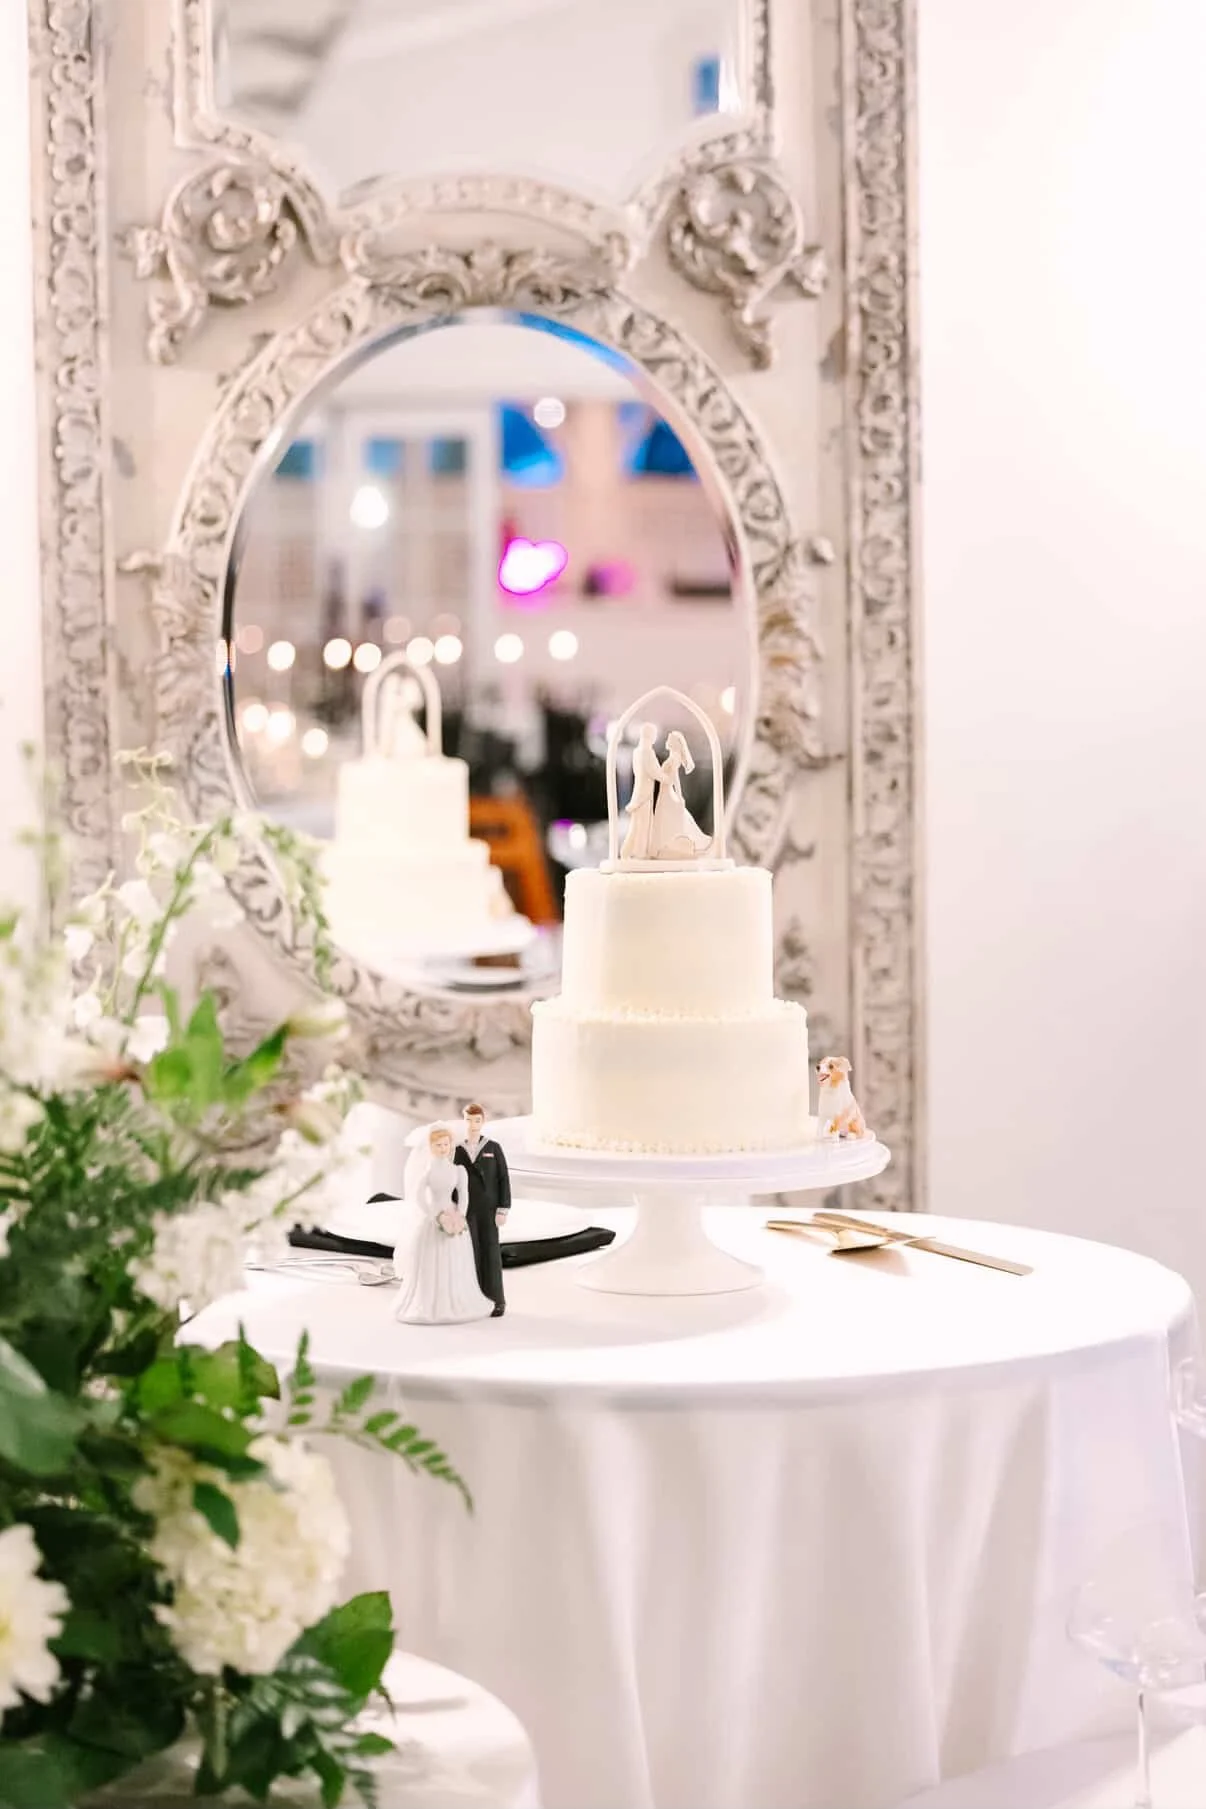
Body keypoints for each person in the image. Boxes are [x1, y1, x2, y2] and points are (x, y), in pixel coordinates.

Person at [393, 1125, 493, 1325]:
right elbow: (418, 1196)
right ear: (431, 1147)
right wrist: (432, 1215)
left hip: (452, 1215)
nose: (443, 1148)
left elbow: (464, 1195)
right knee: (431, 1256)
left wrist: (459, 1216)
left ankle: (456, 1296)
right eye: (438, 1145)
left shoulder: (458, 1170)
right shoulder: (428, 1172)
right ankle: (430, 1300)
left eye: (445, 1144)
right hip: (434, 1217)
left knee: (454, 1257)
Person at [454, 1103, 510, 1317]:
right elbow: (453, 1182)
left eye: (477, 1120)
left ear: (483, 1121)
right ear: (464, 1121)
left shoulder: (493, 1148)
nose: (473, 1124)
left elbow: (503, 1178)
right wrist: (453, 1209)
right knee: (469, 1252)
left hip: (489, 1209)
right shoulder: (458, 1150)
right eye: (469, 1120)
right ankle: (472, 1299)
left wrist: (503, 1208)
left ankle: (496, 1300)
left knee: (490, 1252)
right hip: (466, 1208)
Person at [650, 729, 712, 860]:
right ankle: (662, 846)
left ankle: (670, 844)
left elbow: (675, 778)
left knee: (669, 817)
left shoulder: (674, 758)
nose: (667, 741)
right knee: (666, 818)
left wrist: (679, 795)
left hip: (667, 791)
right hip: (664, 791)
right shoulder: (672, 756)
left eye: (670, 739)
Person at [620, 722, 661, 859]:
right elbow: (654, 771)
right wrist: (667, 777)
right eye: (654, 735)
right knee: (643, 826)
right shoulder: (647, 753)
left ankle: (628, 851)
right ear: (650, 735)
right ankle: (639, 853)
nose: (654, 738)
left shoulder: (637, 752)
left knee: (636, 825)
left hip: (639, 793)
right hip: (644, 795)